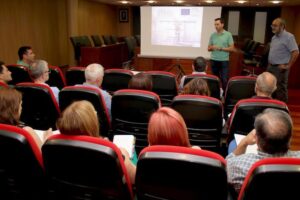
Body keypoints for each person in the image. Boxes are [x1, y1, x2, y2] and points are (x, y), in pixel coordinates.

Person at [56, 100, 136, 184]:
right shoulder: (109, 153)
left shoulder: (56, 150)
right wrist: (123, 155)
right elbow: (134, 178)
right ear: (92, 125)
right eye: (95, 113)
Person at [226, 108, 300, 193]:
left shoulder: (238, 165)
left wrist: (244, 142)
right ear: (290, 138)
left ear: (256, 139)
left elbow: (225, 169)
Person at [267, 18, 299, 103]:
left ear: (282, 26)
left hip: (280, 68)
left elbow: (295, 52)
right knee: (271, 88)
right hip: (271, 67)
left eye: (275, 25)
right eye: (272, 25)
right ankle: (273, 105)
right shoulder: (274, 37)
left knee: (280, 89)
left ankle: (282, 109)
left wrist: (288, 65)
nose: (272, 27)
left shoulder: (289, 37)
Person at [208, 18, 235, 91]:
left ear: (222, 25)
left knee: (224, 79)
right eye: (215, 24)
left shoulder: (228, 34)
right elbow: (208, 48)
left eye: (217, 24)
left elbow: (232, 49)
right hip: (213, 60)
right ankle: (216, 95)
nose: (216, 26)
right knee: (215, 80)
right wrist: (212, 48)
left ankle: (224, 96)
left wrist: (221, 48)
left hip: (224, 61)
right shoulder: (212, 35)